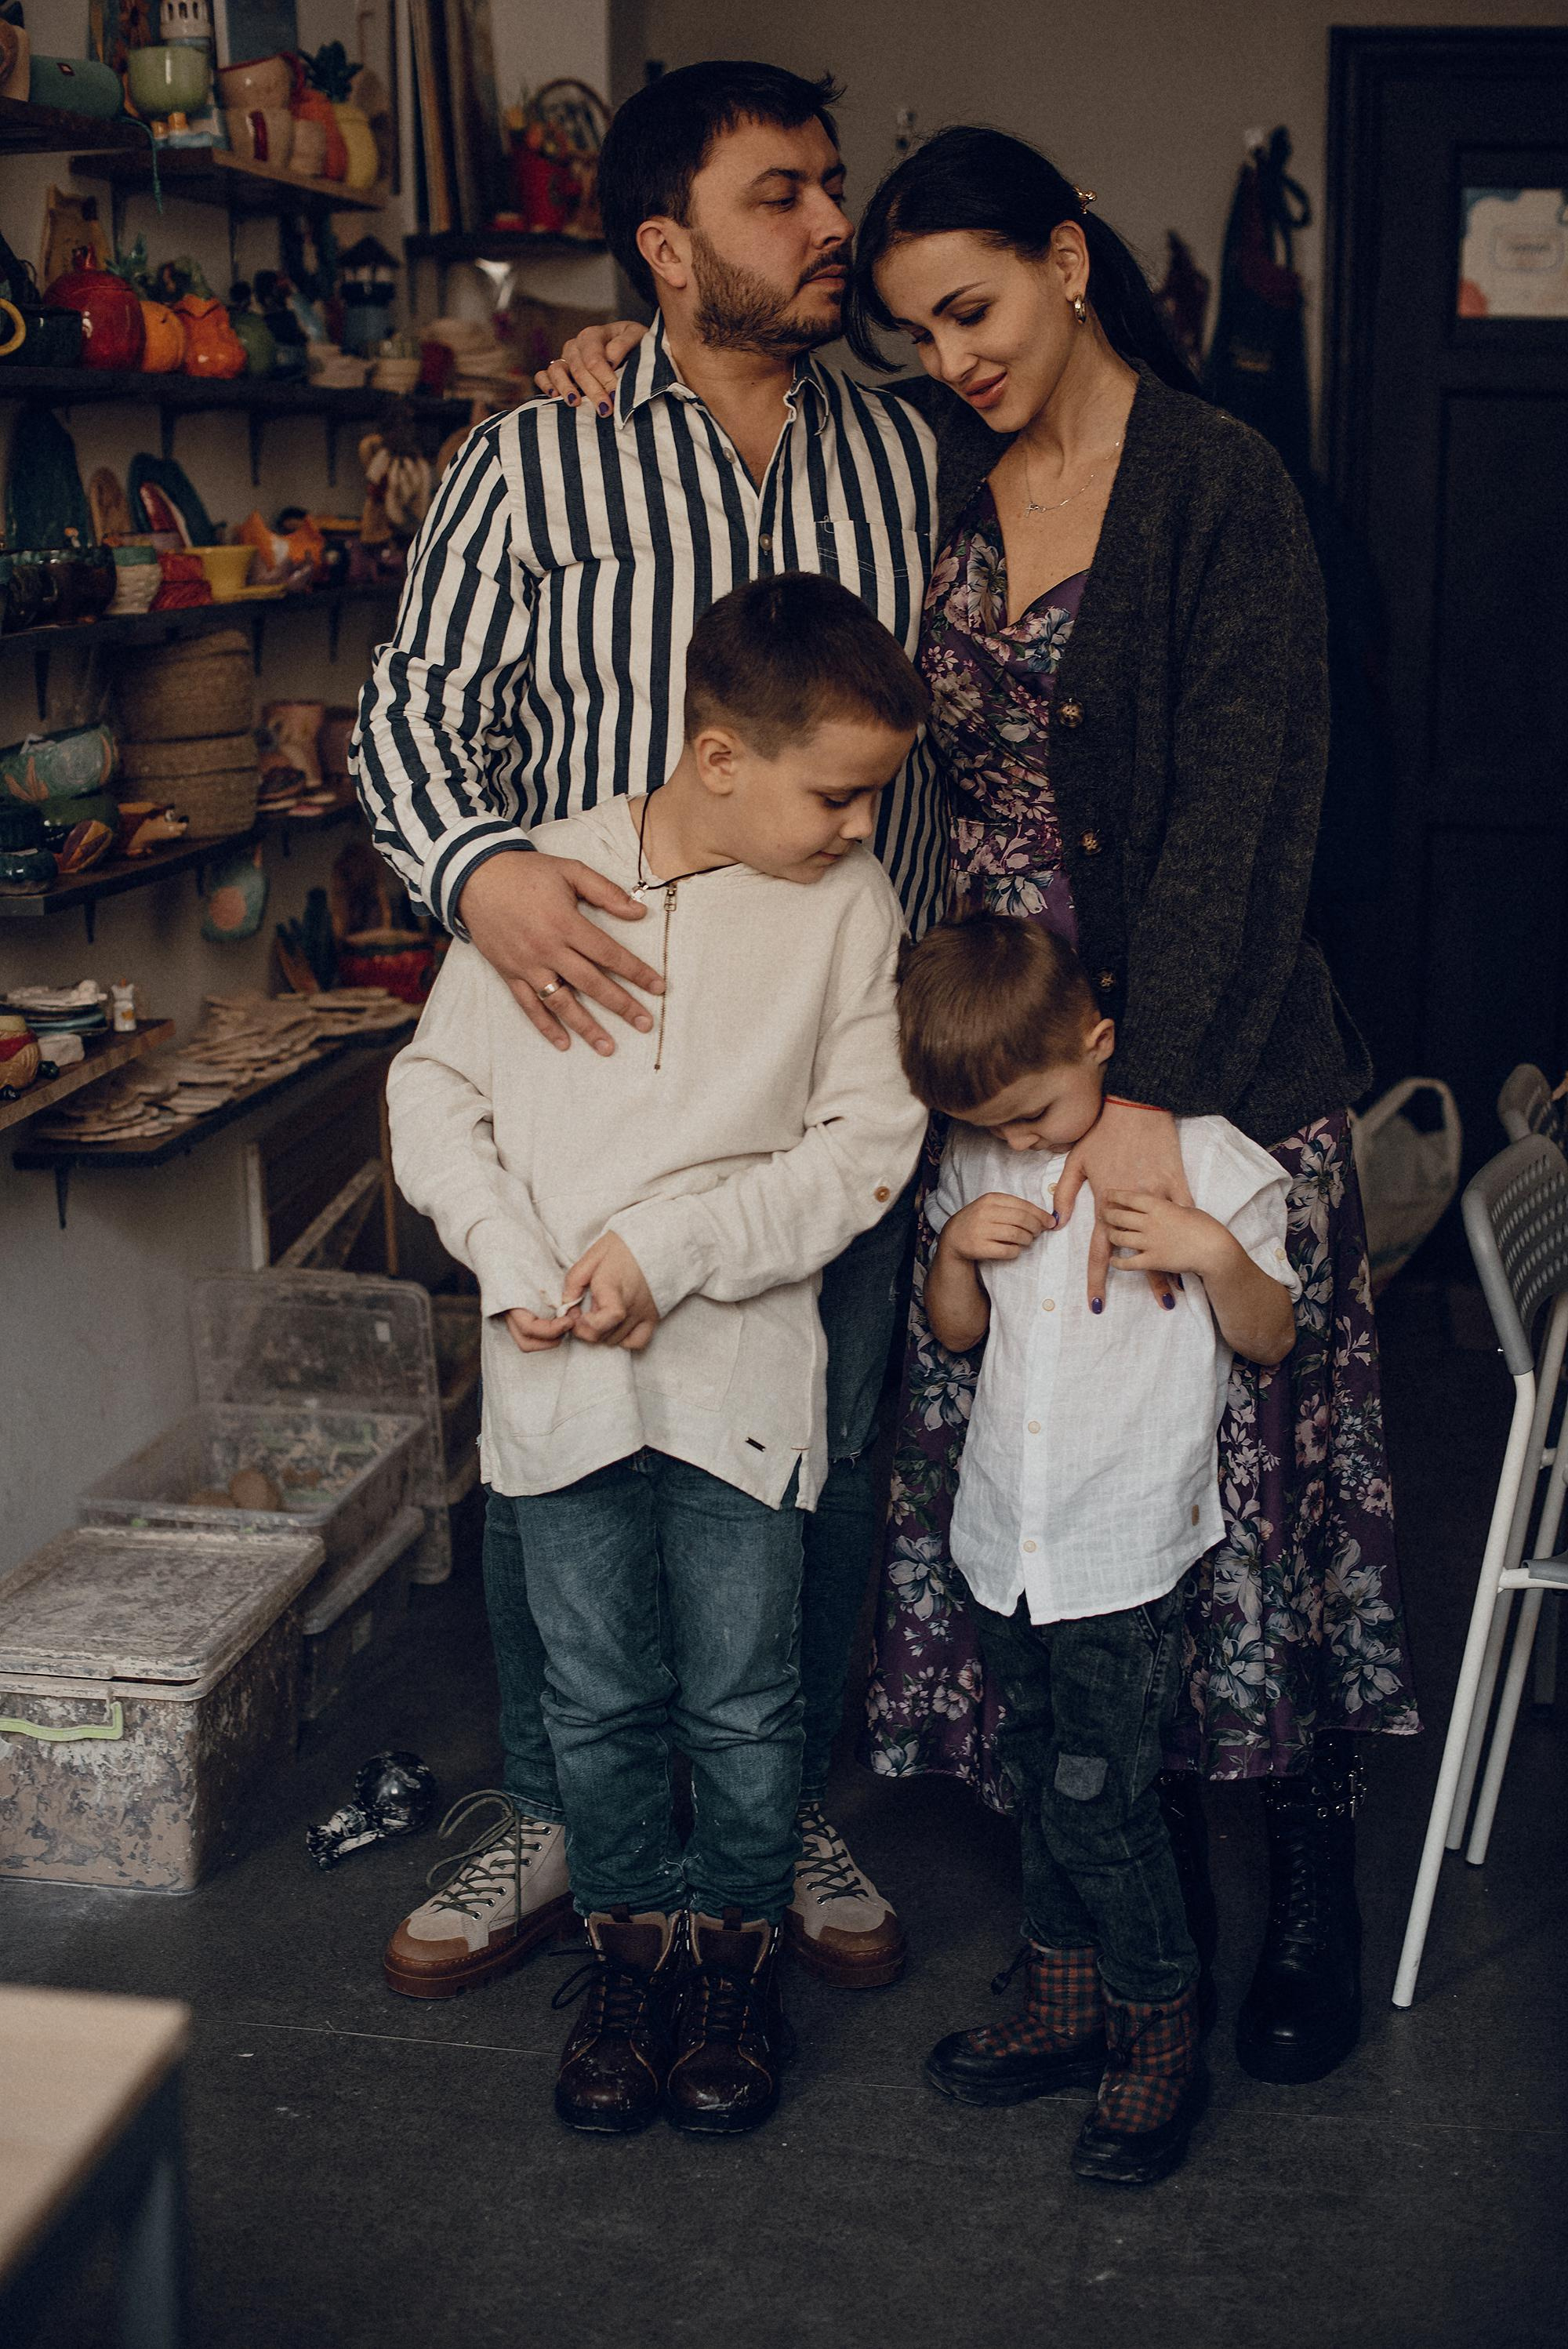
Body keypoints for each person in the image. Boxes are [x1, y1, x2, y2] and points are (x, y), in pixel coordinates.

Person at [521, 114, 1419, 2083]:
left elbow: (1252, 830)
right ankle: (1108, 1929)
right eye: (921, 328)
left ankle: (1312, 1898)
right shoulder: (927, 468)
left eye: (979, 307)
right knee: (1062, 1501)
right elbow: (735, 456)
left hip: (1200, 1069)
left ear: (1072, 258)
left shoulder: (1220, 488)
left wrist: (1132, 1102)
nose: (956, 357)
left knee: (1247, 1505)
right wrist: (602, 348)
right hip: (985, 1067)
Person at [355, 60, 956, 1997]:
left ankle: (770, 1814)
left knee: (821, 1457)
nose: (830, 224)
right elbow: (408, 713)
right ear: (665, 247)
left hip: (817, 1065)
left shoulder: (910, 449)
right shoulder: (541, 454)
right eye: (781, 196)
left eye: (832, 186)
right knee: (561, 1472)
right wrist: (480, 874)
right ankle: (559, 1813)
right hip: (574, 1066)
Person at [385, 573, 930, 2136]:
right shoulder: (542, 879)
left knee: (752, 1701)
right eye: (835, 793)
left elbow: (864, 1152)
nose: (856, 825)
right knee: (598, 1696)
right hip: (554, 1380)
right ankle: (626, 1960)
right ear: (715, 759)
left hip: (746, 1385)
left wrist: (672, 1255)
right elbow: (435, 1097)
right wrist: (508, 1250)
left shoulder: (850, 912)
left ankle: (730, 1964)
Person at [896, 912, 1298, 2184]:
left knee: (1105, 1800)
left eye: (1037, 1110)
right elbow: (956, 1336)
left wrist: (1213, 1252)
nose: (1020, 1142)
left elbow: (1275, 1335)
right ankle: (1068, 2010)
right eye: (996, 1125)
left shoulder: (1204, 1159)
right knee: (1039, 1774)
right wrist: (955, 1251)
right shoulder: (980, 1159)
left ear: (1100, 1043)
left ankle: (1153, 2035)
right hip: (1003, 1539)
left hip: (1121, 1552)